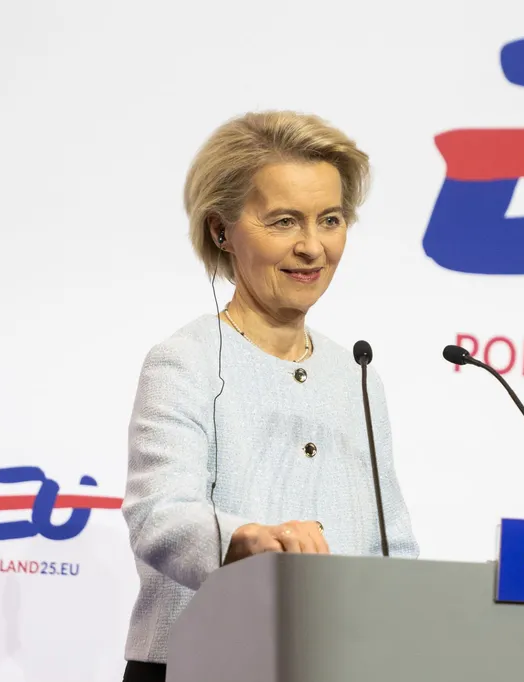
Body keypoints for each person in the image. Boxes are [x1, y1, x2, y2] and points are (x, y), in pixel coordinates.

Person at [119, 111, 420, 682]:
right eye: (284, 221)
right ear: (221, 230)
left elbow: (393, 546)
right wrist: (247, 540)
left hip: (333, 666)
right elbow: (159, 516)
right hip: (198, 664)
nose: (312, 247)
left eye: (330, 220)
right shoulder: (185, 360)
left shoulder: (356, 374)